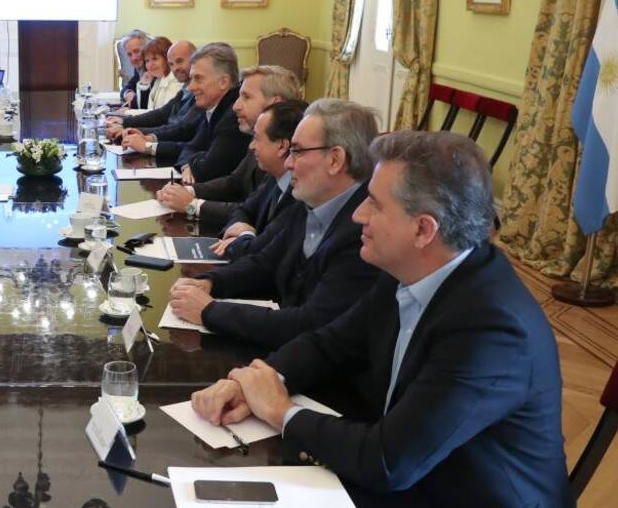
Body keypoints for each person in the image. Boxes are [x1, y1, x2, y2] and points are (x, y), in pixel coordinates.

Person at [191, 131, 569, 507]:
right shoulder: (406, 270)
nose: (357, 215)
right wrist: (258, 381)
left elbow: (389, 462)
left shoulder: (492, 329)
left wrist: (278, 410)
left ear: (423, 229)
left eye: (374, 203)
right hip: (410, 475)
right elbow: (330, 344)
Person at [169, 98, 380, 348]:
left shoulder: (363, 231)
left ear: (335, 160)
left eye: (297, 151)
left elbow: (309, 323)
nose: (288, 163)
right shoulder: (310, 202)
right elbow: (266, 263)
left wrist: (209, 311)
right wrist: (211, 282)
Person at [158, 65, 303, 216]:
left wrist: (192, 205)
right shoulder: (256, 135)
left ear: (274, 104)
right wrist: (188, 191)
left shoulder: (290, 157)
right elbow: (236, 181)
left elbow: (256, 212)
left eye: (246, 97)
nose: (235, 106)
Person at [122, 42, 251, 183]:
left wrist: (148, 145)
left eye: (198, 79)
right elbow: (191, 147)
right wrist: (188, 164)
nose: (191, 87)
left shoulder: (234, 115)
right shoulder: (213, 107)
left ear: (223, 82)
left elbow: (208, 168)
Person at [206, 99, 305, 259]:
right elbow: (243, 210)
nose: (251, 146)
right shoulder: (274, 176)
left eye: (257, 138)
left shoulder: (300, 194)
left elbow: (261, 252)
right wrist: (237, 235)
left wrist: (245, 234)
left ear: (282, 146)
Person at [106, 39, 199, 140]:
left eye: (179, 61)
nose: (175, 68)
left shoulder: (185, 87)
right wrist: (125, 123)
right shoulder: (165, 81)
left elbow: (176, 128)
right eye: (171, 64)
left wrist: (131, 128)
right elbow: (160, 114)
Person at [142, 36, 179, 110]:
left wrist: (128, 114)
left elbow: (163, 115)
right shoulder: (158, 80)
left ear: (167, 58)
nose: (150, 65)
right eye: (147, 60)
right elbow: (151, 112)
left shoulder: (175, 81)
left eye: (155, 59)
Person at [118, 30, 150, 105]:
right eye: (129, 54)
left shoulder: (152, 70)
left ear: (147, 49)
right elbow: (127, 87)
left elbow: (144, 104)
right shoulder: (139, 69)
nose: (133, 58)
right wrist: (128, 93)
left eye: (137, 51)